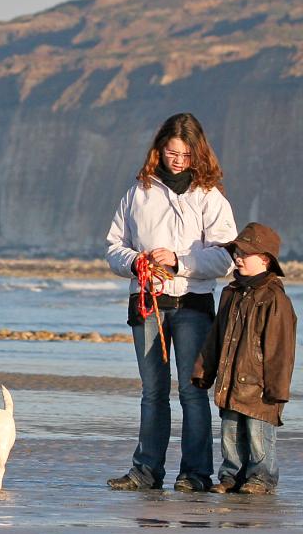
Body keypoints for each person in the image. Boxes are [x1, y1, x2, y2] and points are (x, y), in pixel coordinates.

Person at [106, 112, 236, 492]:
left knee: (192, 392)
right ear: (159, 150)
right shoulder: (138, 192)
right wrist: (137, 262)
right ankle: (146, 470)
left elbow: (226, 257)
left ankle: (195, 474)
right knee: (152, 392)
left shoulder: (210, 196)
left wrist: (178, 262)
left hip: (193, 305)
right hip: (146, 303)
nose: (177, 160)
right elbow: (114, 246)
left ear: (198, 154)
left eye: (185, 154)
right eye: (171, 152)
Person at [192, 223, 297, 495]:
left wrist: (277, 389)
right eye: (236, 252)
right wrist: (204, 369)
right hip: (230, 378)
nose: (237, 257)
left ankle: (262, 478)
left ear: (265, 259)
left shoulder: (275, 299)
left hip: (261, 385)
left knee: (258, 435)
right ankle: (231, 476)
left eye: (245, 253)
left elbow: (280, 349)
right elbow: (216, 337)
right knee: (230, 432)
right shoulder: (231, 294)